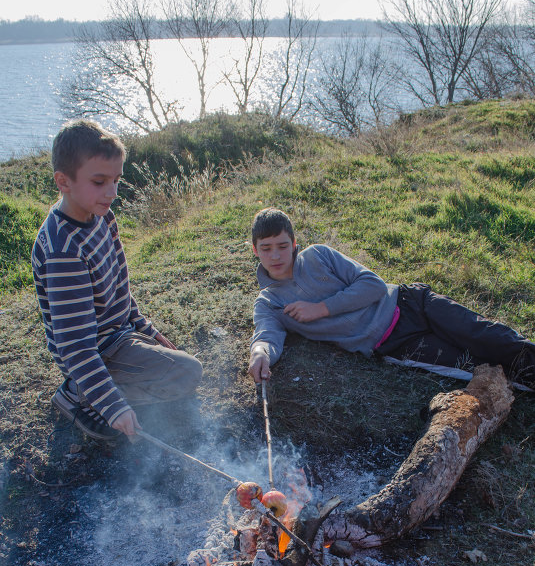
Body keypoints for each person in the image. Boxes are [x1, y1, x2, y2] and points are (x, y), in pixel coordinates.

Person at [32, 119, 203, 442]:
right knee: (188, 373)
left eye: (116, 180)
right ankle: (78, 393)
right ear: (63, 181)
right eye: (99, 181)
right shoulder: (63, 251)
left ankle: (97, 385)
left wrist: (144, 327)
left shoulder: (101, 215)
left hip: (116, 336)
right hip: (94, 350)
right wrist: (114, 407)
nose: (112, 192)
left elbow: (119, 285)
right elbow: (76, 347)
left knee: (181, 368)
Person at [248, 207, 535, 391]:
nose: (276, 255)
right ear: (255, 250)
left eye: (283, 246)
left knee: (487, 336)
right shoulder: (269, 302)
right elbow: (266, 335)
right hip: (394, 345)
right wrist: (260, 354)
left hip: (411, 303)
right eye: (267, 248)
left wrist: (321, 308)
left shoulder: (319, 255)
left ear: (294, 244)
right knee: (474, 368)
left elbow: (372, 285)